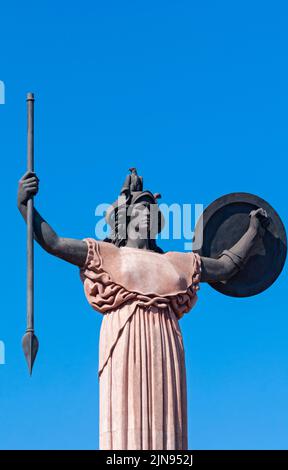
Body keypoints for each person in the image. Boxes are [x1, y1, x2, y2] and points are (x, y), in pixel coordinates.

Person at [17, 169, 268, 450]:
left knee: (167, 427)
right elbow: (55, 243)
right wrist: (26, 207)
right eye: (140, 207)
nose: (147, 212)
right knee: (126, 422)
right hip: (126, 336)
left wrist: (253, 230)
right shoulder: (106, 254)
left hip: (165, 341)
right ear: (125, 216)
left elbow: (225, 267)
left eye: (151, 208)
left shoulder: (177, 262)